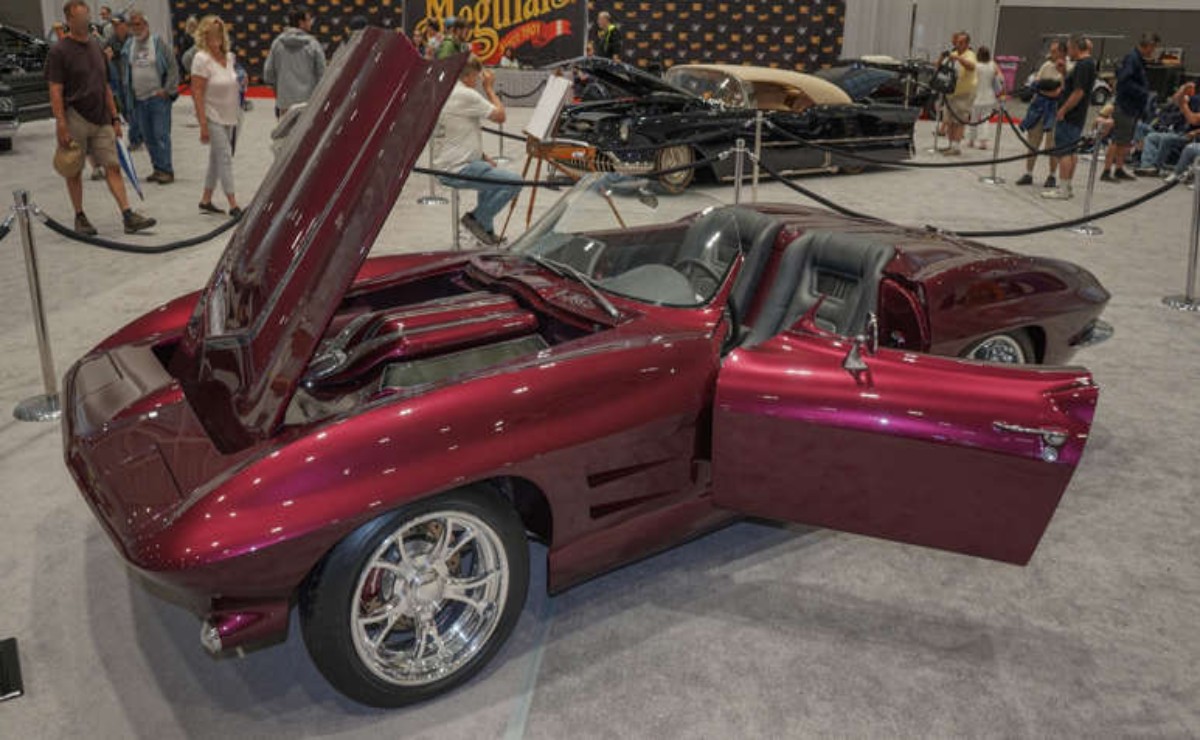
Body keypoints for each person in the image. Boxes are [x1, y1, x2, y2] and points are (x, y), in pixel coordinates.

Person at [46, 0, 155, 236]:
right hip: (74, 116)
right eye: (79, 17)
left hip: (102, 118)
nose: (84, 21)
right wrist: (61, 123)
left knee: (113, 166)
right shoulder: (59, 51)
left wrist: (115, 118)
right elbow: (55, 89)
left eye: (86, 15)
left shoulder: (96, 47)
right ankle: (80, 216)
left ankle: (128, 215)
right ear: (69, 20)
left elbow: (105, 85)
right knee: (74, 169)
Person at [434, 56, 520, 246]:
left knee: (487, 171)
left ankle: (486, 230)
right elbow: (500, 116)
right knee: (515, 182)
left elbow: (458, 131)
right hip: (457, 168)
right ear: (469, 76)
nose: (479, 80)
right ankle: (476, 219)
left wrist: (483, 156)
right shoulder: (467, 94)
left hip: (450, 163)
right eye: (477, 76)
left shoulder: (450, 90)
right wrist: (489, 88)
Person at [191, 15, 243, 218]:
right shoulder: (201, 59)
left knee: (216, 158)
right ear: (204, 35)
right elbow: (197, 92)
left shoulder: (229, 57)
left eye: (219, 33)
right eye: (212, 33)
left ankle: (206, 199)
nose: (216, 38)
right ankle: (233, 203)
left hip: (230, 114)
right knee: (224, 157)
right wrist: (203, 124)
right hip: (212, 115)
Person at [122, 10, 178, 185]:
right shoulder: (129, 45)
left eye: (138, 24)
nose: (135, 28)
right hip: (139, 100)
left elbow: (172, 67)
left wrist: (167, 89)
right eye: (132, 25)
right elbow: (125, 70)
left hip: (158, 98)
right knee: (148, 137)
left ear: (146, 25)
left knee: (161, 134)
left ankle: (167, 170)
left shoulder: (158, 43)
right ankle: (158, 168)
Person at [1042, 34, 1096, 200]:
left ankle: (1063, 188)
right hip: (1076, 115)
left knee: (1064, 151)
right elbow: (1072, 86)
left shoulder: (1083, 65)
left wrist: (1063, 109)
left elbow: (1078, 92)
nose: (1068, 53)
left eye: (1069, 49)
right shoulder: (1085, 64)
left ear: (1075, 47)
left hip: (1071, 115)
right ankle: (1067, 186)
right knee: (1071, 150)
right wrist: (1064, 72)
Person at [1104, 31, 1159, 182]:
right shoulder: (1132, 59)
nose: (1153, 51)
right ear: (1148, 45)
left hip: (1132, 107)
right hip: (1125, 106)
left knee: (1125, 140)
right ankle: (1107, 171)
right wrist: (1142, 91)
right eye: (1153, 47)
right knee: (1117, 139)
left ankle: (1119, 168)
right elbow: (1124, 81)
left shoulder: (1138, 60)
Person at [1016, 39, 1066, 187]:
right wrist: (1045, 88)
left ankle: (1052, 176)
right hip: (1038, 107)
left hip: (1055, 109)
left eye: (1054, 51)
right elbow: (1036, 84)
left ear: (1062, 52)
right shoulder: (1046, 65)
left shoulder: (1067, 68)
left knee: (1052, 145)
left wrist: (1045, 89)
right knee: (1033, 141)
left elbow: (1058, 92)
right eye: (1051, 50)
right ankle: (1028, 173)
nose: (1051, 53)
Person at [263, 6, 326, 118]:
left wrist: (279, 91)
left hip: (284, 104)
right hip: (308, 104)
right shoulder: (313, 44)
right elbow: (322, 75)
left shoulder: (277, 43)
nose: (311, 23)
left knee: (286, 130)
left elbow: (268, 74)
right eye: (309, 20)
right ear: (301, 23)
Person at [1135, 82, 1200, 176]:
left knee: (1166, 139)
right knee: (1151, 137)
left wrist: (1184, 105)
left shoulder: (1192, 102)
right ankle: (1147, 166)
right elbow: (1176, 100)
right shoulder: (1193, 99)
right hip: (1175, 130)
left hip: (1189, 135)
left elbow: (1193, 120)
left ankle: (1157, 167)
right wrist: (1183, 91)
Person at [942, 31, 977, 156]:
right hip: (951, 93)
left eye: (961, 42)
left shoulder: (970, 55)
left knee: (959, 121)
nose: (958, 44)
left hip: (964, 94)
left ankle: (956, 147)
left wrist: (958, 58)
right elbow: (942, 67)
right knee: (950, 120)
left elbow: (971, 66)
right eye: (957, 42)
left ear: (967, 44)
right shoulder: (954, 53)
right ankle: (951, 145)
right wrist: (942, 58)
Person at [967, 45, 1001, 150]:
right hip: (989, 97)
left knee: (973, 119)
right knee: (985, 120)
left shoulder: (976, 65)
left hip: (976, 96)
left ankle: (971, 140)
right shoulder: (993, 65)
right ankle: (983, 142)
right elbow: (1001, 78)